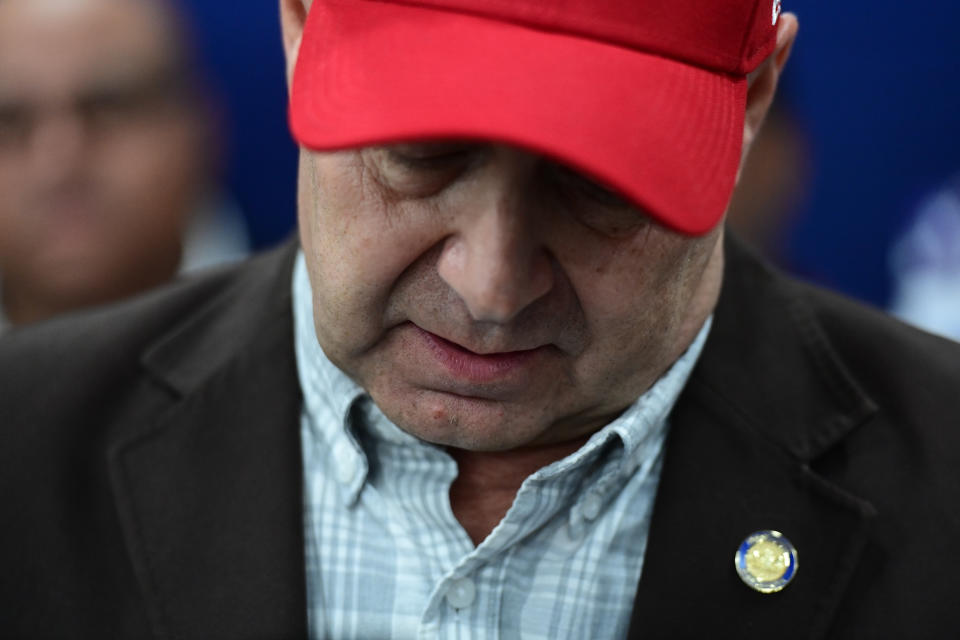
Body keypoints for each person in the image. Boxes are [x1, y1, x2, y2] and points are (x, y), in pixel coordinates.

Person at [1, 0, 958, 638]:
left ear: (751, 102)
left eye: (594, 182)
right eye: (424, 155)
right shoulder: (21, 445)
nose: (491, 287)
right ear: (299, 31)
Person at [0, 0, 248, 332]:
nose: (58, 163)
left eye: (109, 105)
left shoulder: (304, 349)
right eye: (9, 121)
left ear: (198, 125)